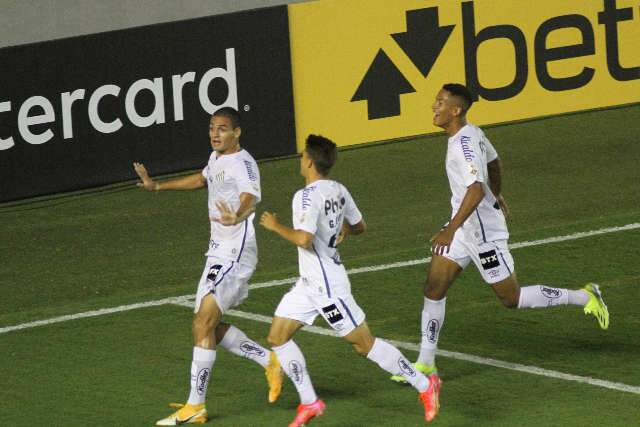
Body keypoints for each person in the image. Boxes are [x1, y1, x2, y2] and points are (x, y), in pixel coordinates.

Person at [390, 83, 610, 390]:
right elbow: (494, 162)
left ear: (456, 110)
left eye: (440, 103)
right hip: (464, 227)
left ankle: (586, 296)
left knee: (511, 298)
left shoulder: (463, 145)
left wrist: (452, 227)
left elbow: (475, 188)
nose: (434, 107)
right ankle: (426, 363)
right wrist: (497, 193)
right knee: (434, 287)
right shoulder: (472, 133)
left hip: (482, 234)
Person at [260, 134, 442, 426]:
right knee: (277, 337)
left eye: (302, 156)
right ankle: (310, 402)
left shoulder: (305, 196)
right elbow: (359, 226)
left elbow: (304, 240)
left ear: (308, 161)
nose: (300, 159)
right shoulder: (338, 189)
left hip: (328, 287)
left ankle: (425, 384)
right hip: (309, 284)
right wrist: (340, 228)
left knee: (364, 344)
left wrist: (275, 226)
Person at [133, 107, 283, 426]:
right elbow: (203, 178)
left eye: (223, 128)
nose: (215, 134)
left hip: (235, 253)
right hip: (216, 252)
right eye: (212, 128)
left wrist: (238, 215)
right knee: (206, 325)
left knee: (203, 321)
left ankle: (196, 406)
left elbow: (250, 196)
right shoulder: (216, 158)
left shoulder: (243, 163)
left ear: (237, 132)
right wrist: (158, 187)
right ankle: (267, 360)